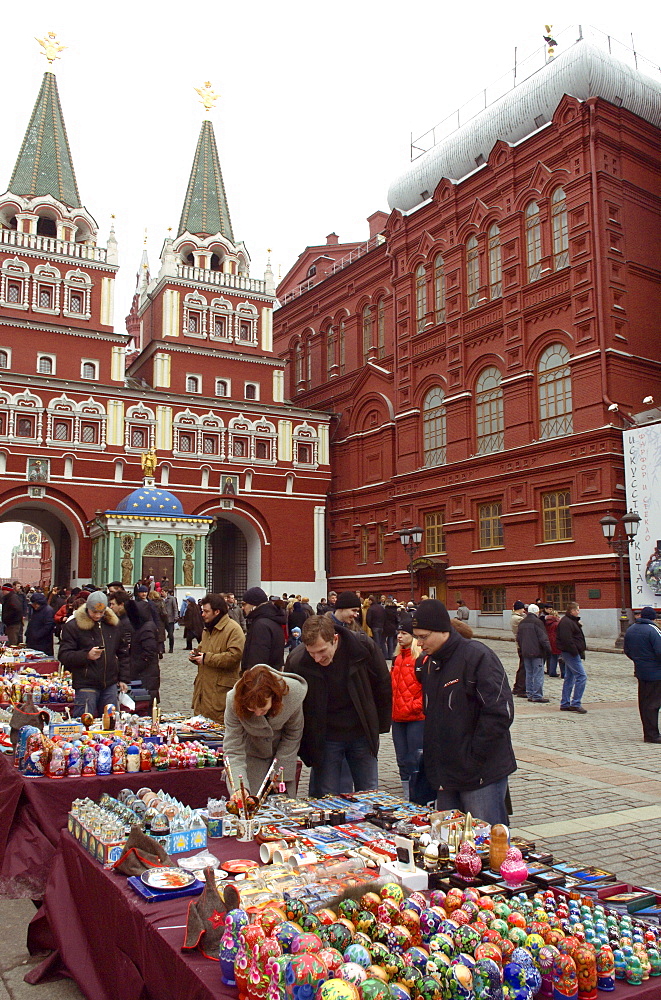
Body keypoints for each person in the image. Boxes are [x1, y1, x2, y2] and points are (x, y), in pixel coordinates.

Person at [412, 599, 516, 826]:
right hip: (446, 774)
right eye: (417, 637)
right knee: (451, 842)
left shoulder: (477, 656)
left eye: (423, 636)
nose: (419, 644)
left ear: (442, 630)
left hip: (480, 774)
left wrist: (474, 756)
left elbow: (499, 713)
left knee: (485, 841)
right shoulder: (430, 664)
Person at [287, 614, 392, 795]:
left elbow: (383, 687)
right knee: (325, 796)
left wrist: (378, 727)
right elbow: (292, 704)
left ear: (335, 639)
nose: (317, 659)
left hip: (362, 733)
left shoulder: (362, 648)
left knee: (368, 794)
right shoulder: (297, 660)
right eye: (311, 653)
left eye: (322, 651)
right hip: (325, 737)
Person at [223, 663, 308, 797]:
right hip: (251, 759)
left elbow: (293, 734)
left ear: (274, 697)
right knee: (248, 809)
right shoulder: (233, 701)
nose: (257, 713)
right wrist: (240, 788)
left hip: (281, 756)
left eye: (262, 709)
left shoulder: (293, 695)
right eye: (252, 709)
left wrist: (281, 773)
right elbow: (233, 748)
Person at [58, 591, 130, 717]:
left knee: (111, 723)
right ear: (87, 609)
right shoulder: (73, 626)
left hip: (110, 683)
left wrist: (123, 678)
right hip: (86, 684)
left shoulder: (113, 625)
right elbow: (64, 655)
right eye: (94, 612)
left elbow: (123, 652)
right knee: (85, 723)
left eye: (101, 612)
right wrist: (86, 655)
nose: (98, 615)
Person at [189, 594, 245, 723]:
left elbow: (234, 656)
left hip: (220, 695)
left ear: (217, 611)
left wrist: (206, 658)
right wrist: (196, 655)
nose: (203, 614)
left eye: (206, 611)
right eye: (203, 611)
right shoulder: (207, 629)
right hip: (203, 693)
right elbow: (203, 648)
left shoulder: (233, 629)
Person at [390, 617, 424, 799]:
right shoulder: (397, 658)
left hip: (415, 718)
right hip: (398, 717)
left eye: (404, 633)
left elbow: (427, 689)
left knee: (414, 758)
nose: (399, 636)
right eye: (398, 633)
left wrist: (415, 706)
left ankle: (417, 792)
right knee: (401, 758)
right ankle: (406, 792)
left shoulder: (420, 659)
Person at [624, 606, 661, 743]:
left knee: (644, 703)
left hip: (641, 670)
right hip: (656, 672)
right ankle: (652, 734)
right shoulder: (653, 630)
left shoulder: (631, 629)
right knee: (653, 704)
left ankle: (648, 731)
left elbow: (627, 650)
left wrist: (639, 661)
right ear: (653, 618)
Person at [241, 587, 286, 673]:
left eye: (244, 604)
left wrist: (251, 678)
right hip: (272, 675)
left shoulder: (261, 625)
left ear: (253, 604)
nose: (242, 608)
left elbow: (258, 658)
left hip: (261, 679)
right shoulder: (272, 620)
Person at [125, 598, 160, 706]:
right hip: (144, 675)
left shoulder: (146, 629)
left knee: (145, 704)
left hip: (146, 676)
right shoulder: (142, 627)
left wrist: (134, 666)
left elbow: (149, 653)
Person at [516, 603, 551, 703]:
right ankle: (537, 695)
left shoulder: (522, 622)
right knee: (538, 674)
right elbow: (543, 638)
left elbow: (518, 638)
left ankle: (530, 693)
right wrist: (548, 650)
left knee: (529, 673)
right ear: (536, 611)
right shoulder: (538, 622)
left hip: (526, 652)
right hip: (537, 652)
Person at [556, 602, 588, 714]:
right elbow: (567, 639)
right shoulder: (566, 622)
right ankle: (576, 703)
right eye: (577, 610)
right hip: (570, 653)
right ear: (572, 610)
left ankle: (565, 703)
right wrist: (575, 651)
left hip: (572, 652)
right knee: (581, 676)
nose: (578, 612)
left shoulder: (571, 621)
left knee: (570, 677)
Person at [510, 600, 528, 697]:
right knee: (523, 667)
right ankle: (520, 688)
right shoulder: (517, 618)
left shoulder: (516, 617)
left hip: (520, 643)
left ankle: (517, 687)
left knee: (522, 666)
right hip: (522, 644)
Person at [544, 607, 563, 677]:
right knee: (560, 657)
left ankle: (551, 672)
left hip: (549, 640)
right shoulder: (557, 624)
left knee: (552, 657)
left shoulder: (546, 622)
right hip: (556, 641)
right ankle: (563, 673)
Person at [162, 588, 179, 653]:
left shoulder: (172, 598)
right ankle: (162, 648)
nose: (162, 593)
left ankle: (171, 648)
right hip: (163, 619)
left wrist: (176, 616)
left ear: (166, 592)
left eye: (163, 591)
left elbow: (175, 608)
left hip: (170, 619)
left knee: (171, 634)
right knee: (162, 634)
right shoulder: (161, 599)